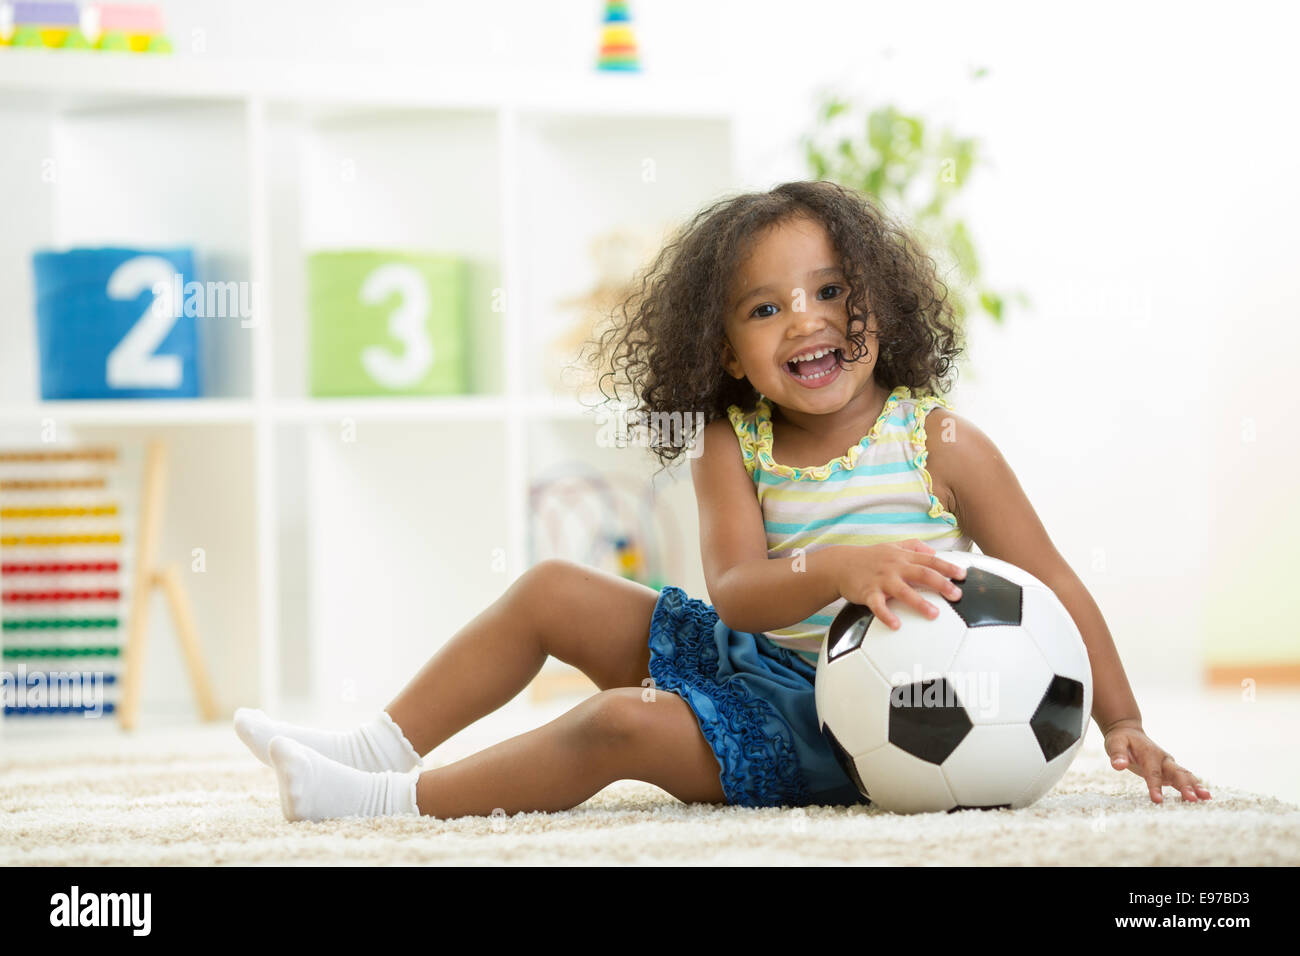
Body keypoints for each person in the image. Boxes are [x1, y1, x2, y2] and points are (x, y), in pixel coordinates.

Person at [235, 180, 1210, 820]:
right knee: (551, 590)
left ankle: (386, 802)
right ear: (722, 347)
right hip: (757, 654)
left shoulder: (939, 440)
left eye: (831, 290)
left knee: (622, 721)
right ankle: (368, 744)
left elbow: (1051, 580)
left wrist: (1119, 720)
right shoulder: (729, 441)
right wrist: (834, 566)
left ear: (881, 302)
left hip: (855, 725)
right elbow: (737, 590)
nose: (806, 320)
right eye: (764, 307)